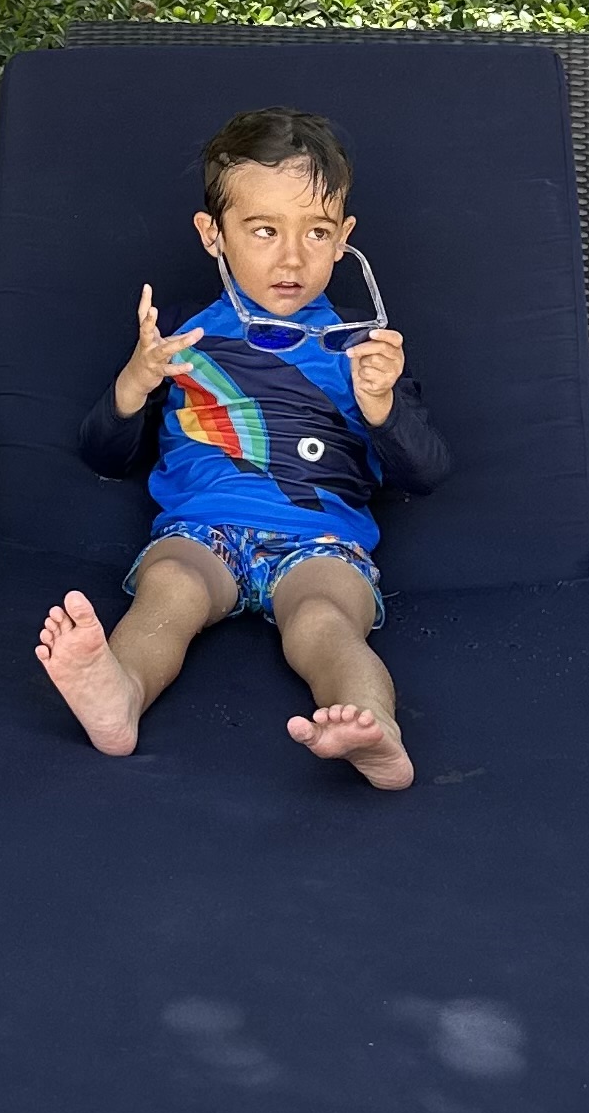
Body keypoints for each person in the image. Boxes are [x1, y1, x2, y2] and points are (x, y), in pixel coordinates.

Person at [35, 104, 446, 785]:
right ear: (213, 234)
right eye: (264, 230)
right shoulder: (183, 340)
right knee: (169, 591)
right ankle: (120, 694)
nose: (292, 258)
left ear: (344, 238)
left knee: (323, 621)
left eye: (317, 232)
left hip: (319, 541)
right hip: (202, 529)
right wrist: (135, 382)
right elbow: (104, 455)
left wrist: (383, 408)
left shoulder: (362, 351)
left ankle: (374, 730)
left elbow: (424, 474)